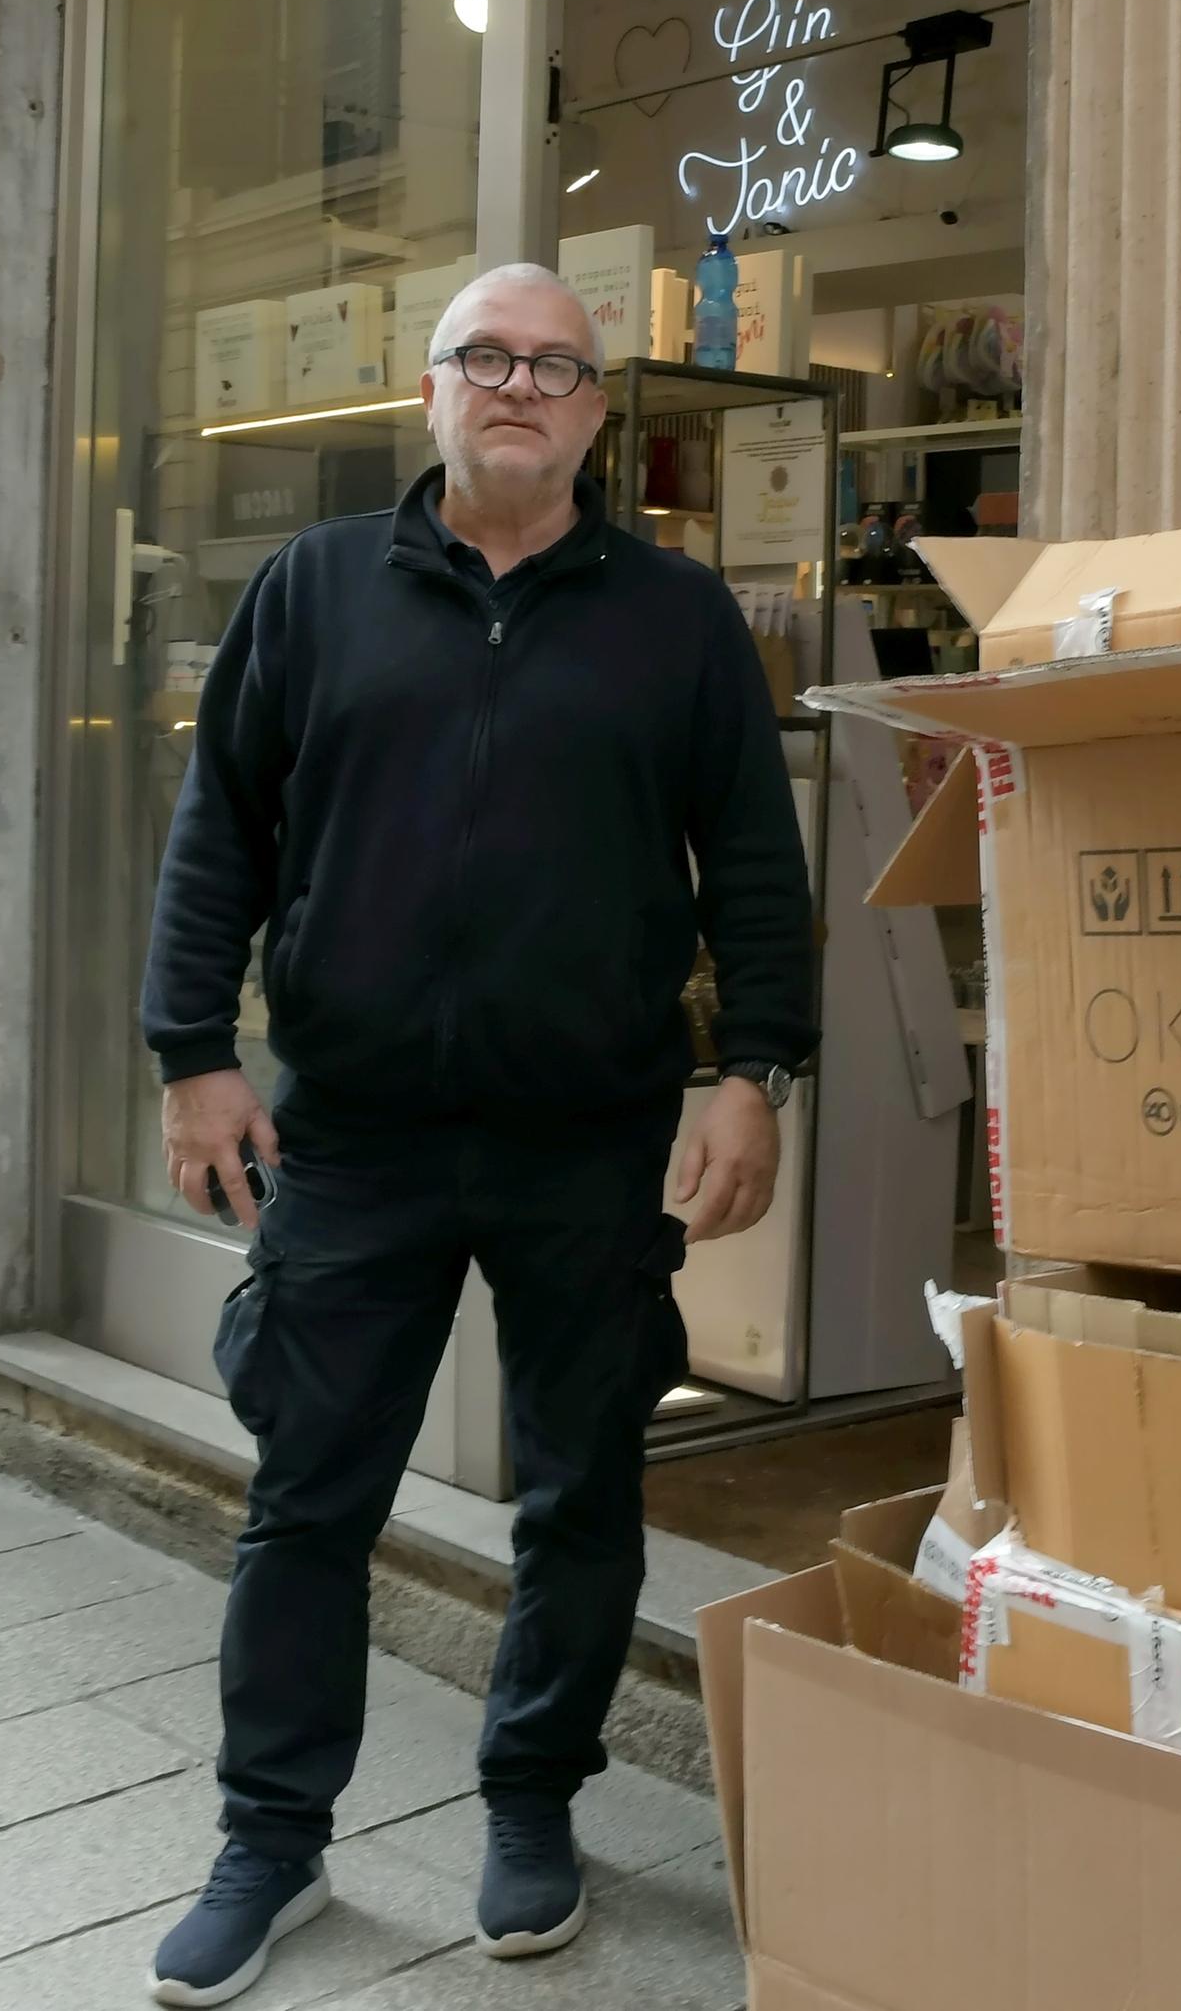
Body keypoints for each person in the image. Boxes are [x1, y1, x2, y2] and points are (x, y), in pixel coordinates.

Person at [139, 262, 814, 2006]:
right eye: (484, 360)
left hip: (587, 1136)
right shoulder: (313, 594)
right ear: (430, 394)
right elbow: (219, 833)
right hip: (352, 1135)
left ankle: (534, 1803)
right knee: (307, 1494)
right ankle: (268, 1840)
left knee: (584, 1492)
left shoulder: (675, 625)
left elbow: (753, 866)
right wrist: (191, 1051)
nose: (518, 386)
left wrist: (756, 1069)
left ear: (599, 412)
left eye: (555, 366)